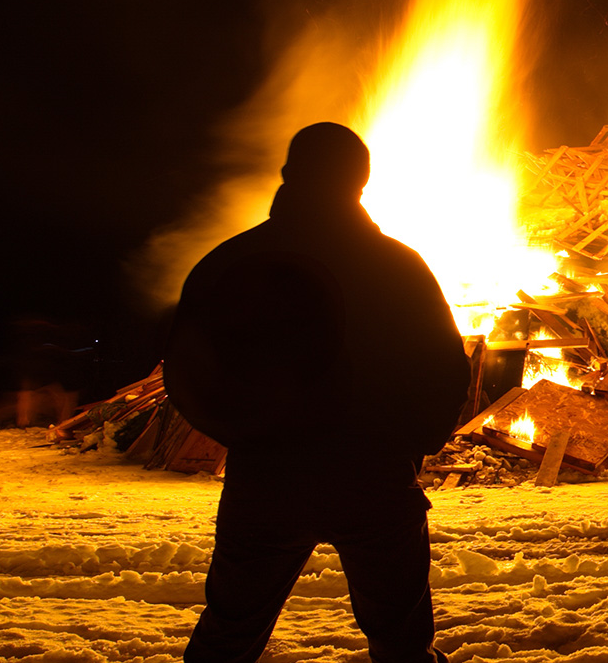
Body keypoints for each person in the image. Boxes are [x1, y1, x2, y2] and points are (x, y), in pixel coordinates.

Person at [165, 122, 471, 663]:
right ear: (362, 181)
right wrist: (411, 445)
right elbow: (445, 371)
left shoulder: (232, 263)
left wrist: (249, 436)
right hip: (373, 477)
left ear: (289, 174)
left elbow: (188, 376)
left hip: (267, 480)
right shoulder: (398, 266)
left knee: (230, 633)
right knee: (401, 642)